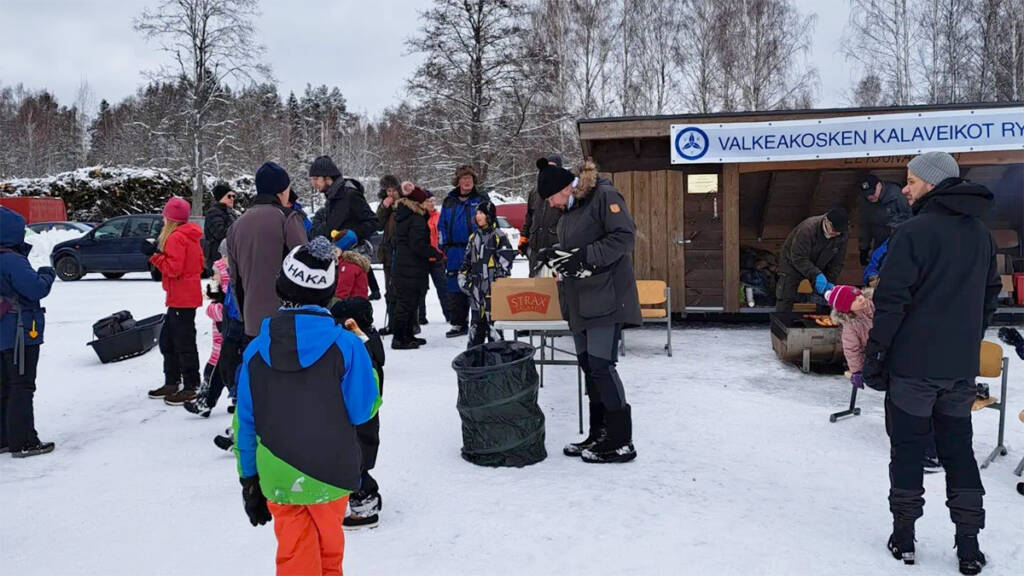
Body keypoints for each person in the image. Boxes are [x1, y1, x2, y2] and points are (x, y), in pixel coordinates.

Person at [863, 152, 1000, 575]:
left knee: (906, 450)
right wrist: (967, 339)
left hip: (914, 369)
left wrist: (877, 353)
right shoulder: (981, 234)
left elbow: (891, 301)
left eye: (911, 180)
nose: (905, 188)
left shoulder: (914, 232)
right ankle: (969, 547)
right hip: (958, 369)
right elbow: (990, 296)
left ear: (933, 183)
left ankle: (904, 539)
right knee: (959, 451)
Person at [233, 237, 380, 576]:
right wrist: (367, 364)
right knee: (330, 556)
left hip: (278, 475)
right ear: (329, 295)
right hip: (333, 472)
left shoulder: (256, 351)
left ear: (280, 287)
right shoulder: (347, 347)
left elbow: (245, 422)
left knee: (295, 559)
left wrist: (248, 479)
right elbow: (362, 410)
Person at [535, 157, 641, 464]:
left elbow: (624, 238)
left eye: (552, 198)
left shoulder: (604, 196)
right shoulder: (569, 210)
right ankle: (599, 435)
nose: (551, 205)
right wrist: (556, 255)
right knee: (588, 367)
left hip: (606, 298)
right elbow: (577, 248)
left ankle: (621, 440)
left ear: (566, 188)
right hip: (580, 302)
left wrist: (583, 258)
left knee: (601, 366)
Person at [829, 285, 941, 472]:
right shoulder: (851, 326)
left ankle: (930, 448)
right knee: (897, 403)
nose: (861, 299)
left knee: (918, 402)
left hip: (907, 355)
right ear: (846, 309)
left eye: (859, 295)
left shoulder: (878, 304)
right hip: (883, 364)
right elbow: (852, 349)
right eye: (855, 300)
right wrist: (856, 372)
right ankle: (904, 444)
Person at [226, 162, 308, 339]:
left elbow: (235, 280)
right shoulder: (288, 219)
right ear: (281, 191)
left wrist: (244, 317)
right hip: (287, 322)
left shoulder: (236, 226)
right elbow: (305, 269)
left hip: (252, 323)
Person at [0, 206, 57, 458]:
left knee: (4, 387)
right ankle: (24, 441)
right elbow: (34, 289)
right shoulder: (11, 259)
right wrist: (46, 274)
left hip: (4, 332)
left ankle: (5, 438)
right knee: (21, 385)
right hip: (19, 332)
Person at [330, 297, 385, 530]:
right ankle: (361, 495)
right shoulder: (368, 340)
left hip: (357, 415)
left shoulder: (358, 347)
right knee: (355, 457)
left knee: (354, 459)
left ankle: (365, 505)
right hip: (365, 413)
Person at [143, 197, 205, 406]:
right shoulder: (190, 235)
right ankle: (173, 380)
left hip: (182, 297)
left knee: (182, 342)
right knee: (168, 340)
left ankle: (190, 385)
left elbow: (173, 269)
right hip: (183, 296)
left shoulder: (176, 238)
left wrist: (154, 256)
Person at [307, 155, 381, 299]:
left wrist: (352, 235)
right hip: (336, 261)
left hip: (352, 261)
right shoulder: (331, 197)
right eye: (312, 179)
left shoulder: (350, 195)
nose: (313, 183)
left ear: (328, 178)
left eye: (316, 178)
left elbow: (374, 222)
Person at [458, 200, 516, 348]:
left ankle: (496, 362)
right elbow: (467, 261)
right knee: (476, 329)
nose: (478, 216)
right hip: (476, 291)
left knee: (494, 330)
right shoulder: (473, 237)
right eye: (477, 213)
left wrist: (498, 281)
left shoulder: (499, 236)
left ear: (489, 215)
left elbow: (506, 261)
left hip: (493, 292)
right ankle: (474, 364)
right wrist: (464, 278)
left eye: (482, 213)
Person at [391, 186, 443, 350]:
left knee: (410, 303)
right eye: (426, 201)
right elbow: (418, 245)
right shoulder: (416, 219)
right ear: (418, 203)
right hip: (411, 267)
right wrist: (436, 253)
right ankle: (399, 338)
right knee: (407, 303)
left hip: (405, 266)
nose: (429, 203)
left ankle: (407, 335)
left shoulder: (405, 216)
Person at [439, 164, 487, 338]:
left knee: (477, 284)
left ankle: (479, 321)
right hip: (454, 250)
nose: (467, 182)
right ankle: (458, 323)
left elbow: (489, 221)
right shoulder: (449, 200)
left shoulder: (481, 198)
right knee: (454, 286)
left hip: (476, 249)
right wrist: (443, 245)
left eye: (470, 178)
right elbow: (441, 225)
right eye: (463, 179)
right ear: (458, 181)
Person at [185, 241, 232, 418]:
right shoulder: (224, 274)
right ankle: (234, 400)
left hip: (224, 334)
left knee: (214, 369)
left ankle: (205, 401)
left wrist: (213, 307)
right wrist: (213, 294)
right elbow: (211, 292)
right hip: (223, 333)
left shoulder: (230, 286)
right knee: (229, 367)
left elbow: (218, 307)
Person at [775, 207, 849, 313]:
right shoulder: (807, 229)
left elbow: (837, 262)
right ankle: (781, 324)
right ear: (826, 221)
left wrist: (831, 281)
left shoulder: (842, 234)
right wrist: (816, 274)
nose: (835, 233)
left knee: (826, 297)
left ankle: (822, 325)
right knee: (786, 295)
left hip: (821, 264)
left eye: (839, 232)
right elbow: (798, 257)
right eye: (833, 229)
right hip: (792, 263)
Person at [522, 155, 564, 276]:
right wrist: (523, 238)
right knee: (535, 287)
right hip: (535, 248)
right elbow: (529, 217)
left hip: (555, 248)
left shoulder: (565, 193)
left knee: (555, 288)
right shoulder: (534, 192)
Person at [858, 174, 911, 266]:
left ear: (879, 186)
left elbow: (910, 217)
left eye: (872, 192)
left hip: (900, 243)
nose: (870, 197)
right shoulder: (866, 202)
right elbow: (865, 226)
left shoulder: (897, 195)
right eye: (867, 195)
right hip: (879, 244)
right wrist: (864, 248)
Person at [376, 175, 402, 334]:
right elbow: (377, 224)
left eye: (393, 190)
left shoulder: (405, 204)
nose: (391, 193)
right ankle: (392, 323)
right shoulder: (384, 205)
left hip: (402, 252)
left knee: (403, 289)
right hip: (388, 252)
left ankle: (406, 324)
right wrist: (384, 208)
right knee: (389, 289)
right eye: (388, 190)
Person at [419, 190, 450, 325]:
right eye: (428, 201)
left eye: (433, 200)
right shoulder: (419, 217)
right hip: (423, 258)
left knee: (443, 288)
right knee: (421, 290)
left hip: (438, 258)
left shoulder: (440, 216)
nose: (431, 203)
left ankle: (450, 315)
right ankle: (421, 317)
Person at [203, 182, 236, 273]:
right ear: (221, 198)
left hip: (228, 257)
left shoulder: (230, 213)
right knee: (221, 286)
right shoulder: (214, 213)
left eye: (233, 196)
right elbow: (220, 233)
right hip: (218, 259)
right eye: (229, 196)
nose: (232, 199)